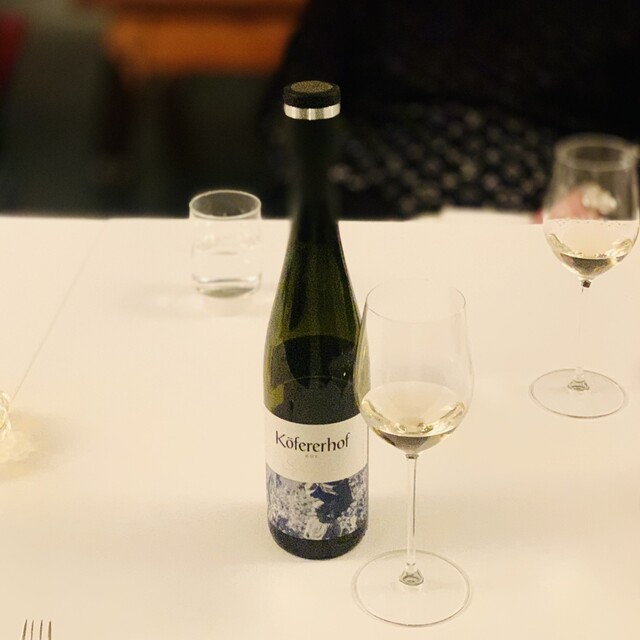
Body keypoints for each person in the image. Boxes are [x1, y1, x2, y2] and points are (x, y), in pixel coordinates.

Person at [261, 0, 640, 218]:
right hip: (378, 200)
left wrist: (602, 194)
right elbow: (289, 110)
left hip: (553, 216)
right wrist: (354, 205)